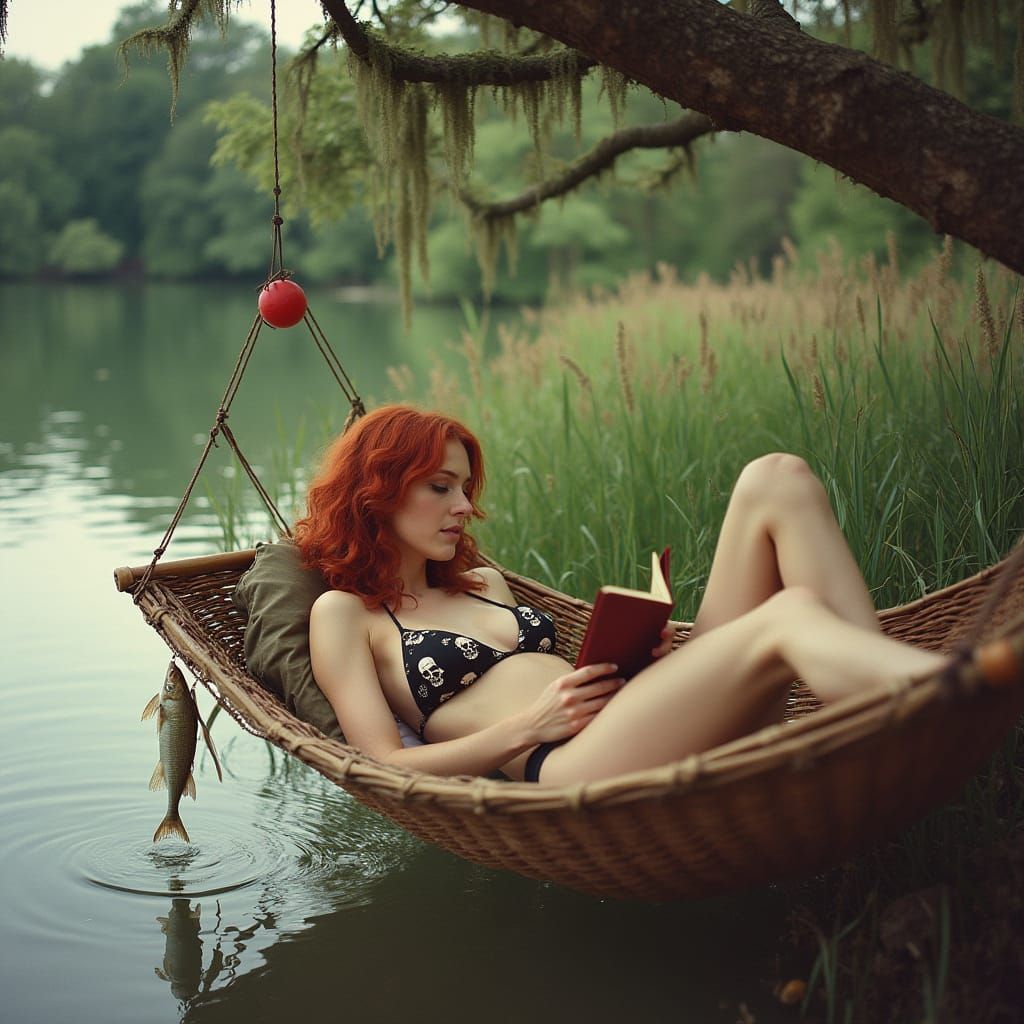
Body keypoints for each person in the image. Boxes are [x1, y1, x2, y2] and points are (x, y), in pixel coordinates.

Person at [296, 405, 947, 785]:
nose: (465, 506)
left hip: (641, 717)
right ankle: (941, 695)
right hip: (573, 763)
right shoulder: (347, 615)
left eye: (466, 489)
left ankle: (880, 702)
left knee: (777, 478)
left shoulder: (485, 583)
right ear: (378, 491)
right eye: (441, 487)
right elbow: (382, 765)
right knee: (789, 616)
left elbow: (585, 682)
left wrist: (647, 662)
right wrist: (528, 727)